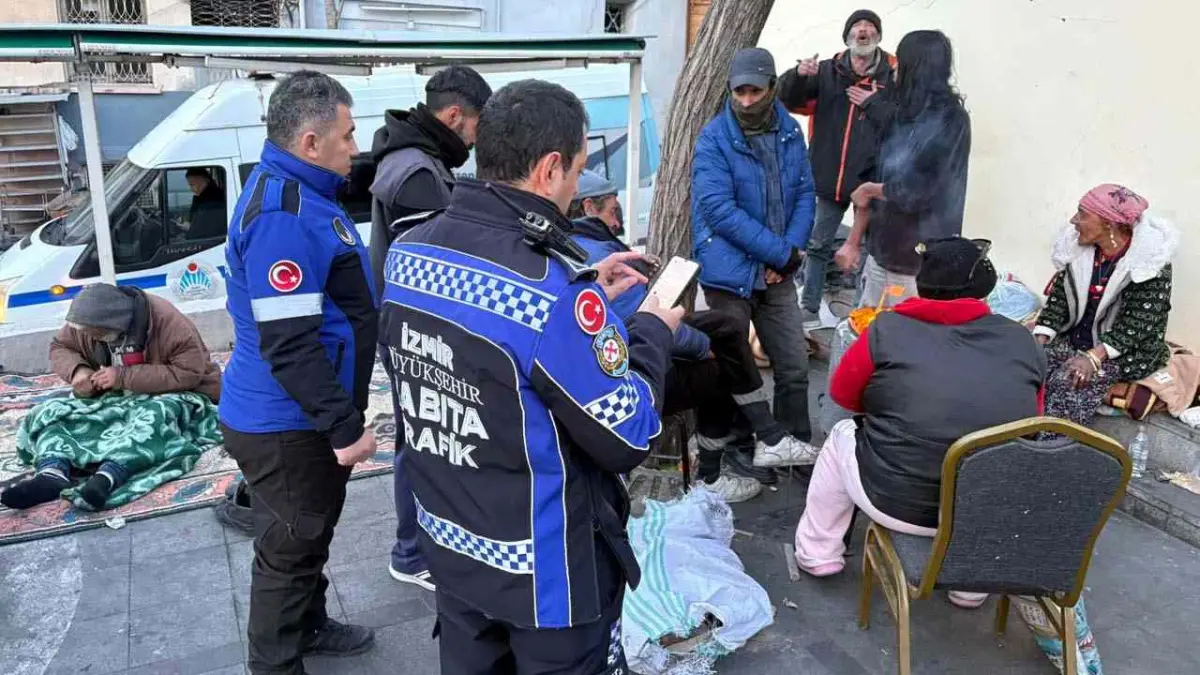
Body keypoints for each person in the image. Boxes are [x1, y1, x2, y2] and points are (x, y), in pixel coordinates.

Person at [381, 78, 681, 674]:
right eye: (575, 171)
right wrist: (652, 331)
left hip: (452, 548)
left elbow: (489, 334)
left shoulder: (408, 253)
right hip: (546, 579)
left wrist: (586, 282)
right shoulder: (552, 296)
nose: (574, 189)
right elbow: (628, 432)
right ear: (549, 169)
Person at [220, 71, 379, 674]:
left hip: (298, 414)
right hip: (288, 423)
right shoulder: (283, 214)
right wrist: (342, 427)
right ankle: (277, 664)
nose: (355, 146)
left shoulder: (306, 192)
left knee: (302, 533)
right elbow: (288, 343)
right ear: (311, 143)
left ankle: (309, 625)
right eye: (348, 134)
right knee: (289, 549)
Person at [793, 237, 1044, 608]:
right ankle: (970, 585)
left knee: (842, 432)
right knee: (992, 453)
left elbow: (844, 398)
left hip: (895, 500)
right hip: (980, 505)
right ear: (984, 290)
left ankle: (819, 554)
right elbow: (1031, 423)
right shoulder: (1022, 341)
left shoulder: (885, 329)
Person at [569, 170, 800, 501]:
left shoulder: (579, 243)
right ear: (589, 207)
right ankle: (713, 474)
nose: (617, 222)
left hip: (619, 357)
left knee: (728, 327)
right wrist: (703, 348)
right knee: (722, 366)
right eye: (612, 212)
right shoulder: (592, 254)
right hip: (628, 377)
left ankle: (768, 436)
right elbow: (651, 326)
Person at [369, 64, 492, 593]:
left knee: (431, 435)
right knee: (423, 436)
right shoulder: (416, 173)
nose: (476, 139)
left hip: (415, 329)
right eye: (476, 127)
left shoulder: (421, 161)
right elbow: (438, 263)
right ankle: (412, 552)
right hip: (418, 332)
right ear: (454, 114)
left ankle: (427, 542)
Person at [691, 46, 820, 460]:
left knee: (795, 367)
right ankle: (741, 450)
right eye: (739, 92)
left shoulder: (789, 130)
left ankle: (792, 446)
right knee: (735, 369)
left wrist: (792, 251)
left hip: (778, 267)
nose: (746, 101)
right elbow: (718, 209)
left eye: (755, 91)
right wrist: (780, 255)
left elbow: (803, 192)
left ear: (772, 88)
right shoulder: (713, 137)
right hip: (729, 270)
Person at [0, 283, 221, 511]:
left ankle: (108, 476)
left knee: (151, 418)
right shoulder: (86, 320)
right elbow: (61, 346)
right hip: (110, 396)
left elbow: (189, 373)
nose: (87, 336)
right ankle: (52, 472)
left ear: (114, 324)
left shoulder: (167, 322)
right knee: (50, 412)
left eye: (93, 333)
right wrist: (78, 371)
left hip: (172, 393)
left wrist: (123, 377)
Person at [777, 9, 896, 329]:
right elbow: (790, 100)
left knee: (871, 252)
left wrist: (874, 103)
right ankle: (810, 308)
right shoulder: (827, 71)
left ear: (878, 37)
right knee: (817, 244)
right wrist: (799, 75)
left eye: (870, 27)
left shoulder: (893, 76)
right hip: (829, 177)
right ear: (847, 36)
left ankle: (861, 315)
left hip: (871, 182)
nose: (863, 31)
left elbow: (903, 124)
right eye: (857, 27)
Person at [835, 30, 972, 308]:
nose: (895, 67)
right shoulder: (902, 113)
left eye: (902, 61)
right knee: (866, 333)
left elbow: (923, 190)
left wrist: (875, 190)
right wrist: (853, 241)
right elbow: (872, 177)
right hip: (881, 251)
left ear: (918, 67)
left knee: (900, 344)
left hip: (918, 263)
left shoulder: (951, 120)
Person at [1034, 184, 1177, 426]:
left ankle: (1051, 449)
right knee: (1030, 368)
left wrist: (1093, 358)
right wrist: (1037, 343)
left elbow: (1137, 325)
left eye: (1082, 214)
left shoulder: (1150, 264)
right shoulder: (1077, 251)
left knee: (1070, 382)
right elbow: (1058, 302)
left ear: (1108, 222)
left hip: (1123, 352)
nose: (1073, 220)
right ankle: (1017, 436)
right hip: (1077, 339)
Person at [183, 167, 228, 240]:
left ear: (205, 181)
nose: (190, 189)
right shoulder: (203, 197)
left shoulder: (212, 201)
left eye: (192, 185)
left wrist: (189, 228)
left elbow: (204, 231)